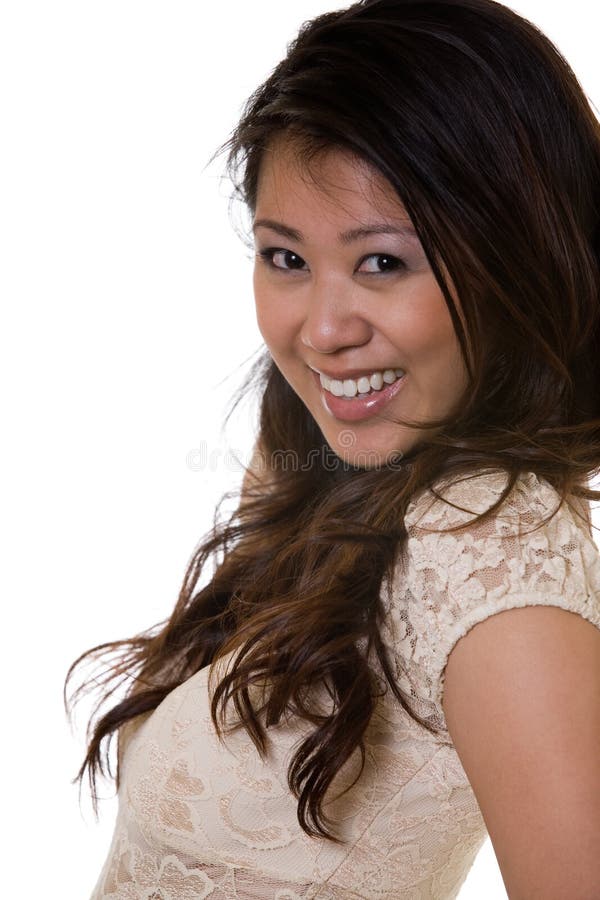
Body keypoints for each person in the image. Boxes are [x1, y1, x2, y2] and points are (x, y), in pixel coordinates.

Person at [64, 0, 600, 897]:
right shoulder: (325, 455)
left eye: (384, 262)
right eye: (286, 257)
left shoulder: (488, 552)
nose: (321, 332)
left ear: (519, 257)